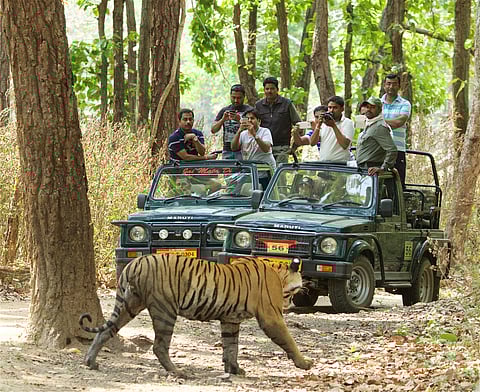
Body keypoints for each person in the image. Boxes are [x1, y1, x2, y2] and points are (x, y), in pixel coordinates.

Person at [255, 77, 301, 165]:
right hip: (265, 146)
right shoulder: (259, 105)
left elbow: (299, 124)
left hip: (282, 147)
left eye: (272, 88)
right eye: (267, 89)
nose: (269, 91)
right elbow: (254, 124)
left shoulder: (287, 104)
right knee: (266, 174)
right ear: (264, 90)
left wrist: (294, 146)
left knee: (280, 175)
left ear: (277, 90)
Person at [231, 108, 276, 189]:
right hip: (250, 171)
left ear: (259, 121)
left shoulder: (265, 131)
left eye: (252, 118)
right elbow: (233, 148)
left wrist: (255, 135)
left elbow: (266, 148)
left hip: (266, 170)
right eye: (247, 119)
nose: (249, 120)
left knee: (265, 193)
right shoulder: (243, 134)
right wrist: (239, 131)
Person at [381, 73, 411, 186]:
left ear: (399, 86)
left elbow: (399, 122)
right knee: (378, 185)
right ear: (384, 85)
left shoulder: (405, 104)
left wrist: (379, 121)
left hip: (397, 149)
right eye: (388, 84)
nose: (391, 87)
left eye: (394, 84)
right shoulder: (377, 104)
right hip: (379, 150)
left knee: (397, 185)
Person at [356, 96, 397, 176]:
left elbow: (392, 150)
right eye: (367, 107)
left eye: (372, 107)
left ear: (379, 109)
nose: (368, 109)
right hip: (363, 169)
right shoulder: (370, 124)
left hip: (371, 170)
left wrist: (383, 168)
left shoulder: (379, 126)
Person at [211, 84, 253, 160]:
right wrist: (222, 120)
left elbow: (254, 129)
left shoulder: (249, 110)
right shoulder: (224, 110)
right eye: (233, 97)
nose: (236, 100)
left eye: (239, 98)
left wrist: (239, 120)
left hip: (244, 149)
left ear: (244, 97)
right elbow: (213, 130)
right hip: (227, 149)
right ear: (230, 96)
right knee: (227, 171)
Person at [308, 96, 355, 162]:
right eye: (330, 107)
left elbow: (345, 145)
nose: (331, 110)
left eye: (335, 108)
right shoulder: (324, 123)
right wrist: (318, 125)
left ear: (342, 109)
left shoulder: (348, 123)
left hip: (340, 164)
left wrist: (333, 126)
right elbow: (312, 143)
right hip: (324, 163)